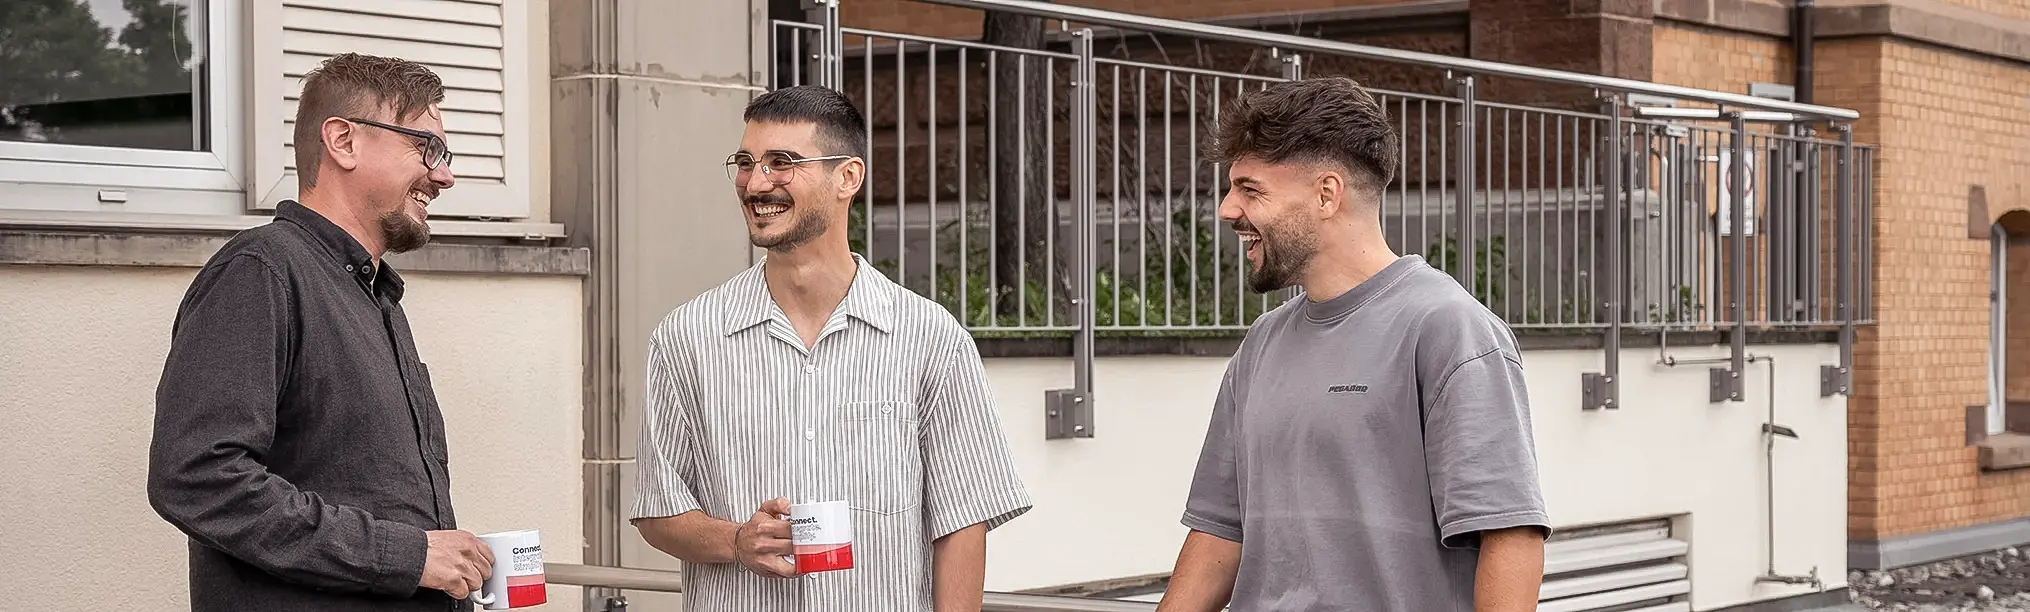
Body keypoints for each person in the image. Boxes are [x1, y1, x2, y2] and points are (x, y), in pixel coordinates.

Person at [1154, 77, 1552, 612]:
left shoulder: (1448, 329)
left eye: (1250, 190)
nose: (1227, 210)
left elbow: (1510, 538)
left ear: (1326, 194)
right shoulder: (1260, 346)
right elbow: (1221, 531)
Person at [630, 85, 1033, 612]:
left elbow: (963, 522)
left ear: (848, 177)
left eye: (782, 162)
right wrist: (735, 541)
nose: (756, 182)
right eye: (746, 162)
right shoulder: (686, 337)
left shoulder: (930, 337)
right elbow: (659, 513)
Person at [147, 53, 496, 611]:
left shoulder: (375, 294)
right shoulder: (262, 271)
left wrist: (432, 561)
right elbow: (197, 475)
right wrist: (402, 554)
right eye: (427, 147)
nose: (444, 174)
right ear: (343, 141)